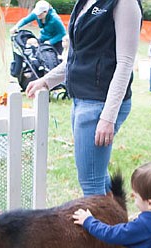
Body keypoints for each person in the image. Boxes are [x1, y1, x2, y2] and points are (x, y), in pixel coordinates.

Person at [25, 0, 142, 197]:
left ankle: (99, 227)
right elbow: (76, 57)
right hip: (82, 100)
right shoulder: (84, 3)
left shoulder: (124, 3)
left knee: (91, 184)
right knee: (97, 177)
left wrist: (108, 117)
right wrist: (46, 81)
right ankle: (116, 225)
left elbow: (125, 63)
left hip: (100, 104)